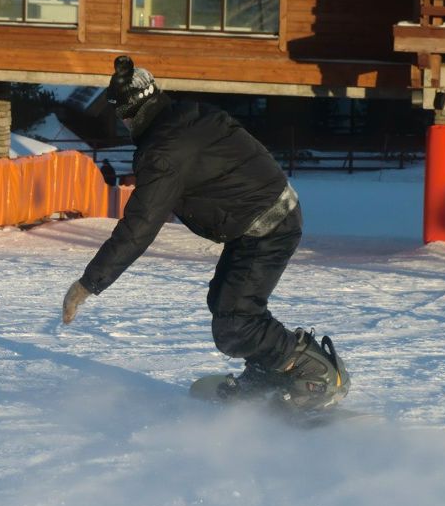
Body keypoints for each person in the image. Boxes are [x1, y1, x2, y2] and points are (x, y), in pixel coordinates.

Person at [61, 55, 349, 410]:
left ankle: (315, 372)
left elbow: (140, 226)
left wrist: (89, 283)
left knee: (235, 324)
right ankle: (270, 370)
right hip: (263, 219)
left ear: (128, 115)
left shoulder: (164, 151)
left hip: (268, 225)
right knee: (228, 307)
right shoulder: (187, 115)